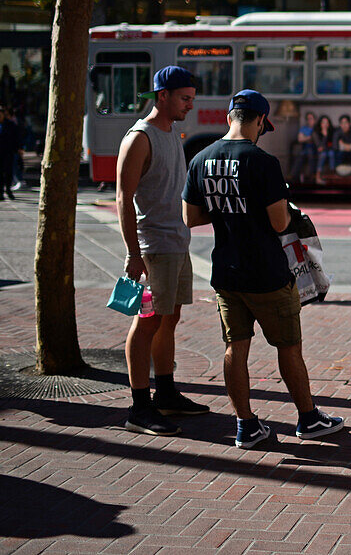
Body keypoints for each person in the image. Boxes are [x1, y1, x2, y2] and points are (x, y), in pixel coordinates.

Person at [182, 89, 345, 449]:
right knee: (288, 348)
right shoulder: (262, 161)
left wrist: (228, 209)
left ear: (229, 118)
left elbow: (190, 217)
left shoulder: (201, 159)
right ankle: (308, 418)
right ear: (258, 121)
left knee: (234, 348)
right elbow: (277, 222)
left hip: (226, 272)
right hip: (267, 274)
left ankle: (246, 425)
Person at [117, 66, 209, 437]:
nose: (190, 105)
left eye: (191, 98)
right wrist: (132, 251)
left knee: (169, 318)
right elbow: (123, 198)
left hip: (176, 244)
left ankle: (166, 392)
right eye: (184, 98)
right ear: (162, 96)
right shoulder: (140, 137)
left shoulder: (173, 132)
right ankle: (140, 407)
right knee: (147, 321)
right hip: (153, 247)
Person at [288, 111, 317, 185]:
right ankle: (292, 175)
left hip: (315, 149)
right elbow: (300, 139)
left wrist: (306, 138)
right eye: (308, 119)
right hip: (305, 149)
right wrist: (309, 138)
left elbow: (317, 140)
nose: (309, 121)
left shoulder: (317, 128)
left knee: (310, 152)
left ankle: (312, 175)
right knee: (301, 155)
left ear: (315, 120)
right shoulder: (304, 128)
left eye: (311, 119)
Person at [313, 115, 335, 184]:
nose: (325, 125)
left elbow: (333, 145)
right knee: (323, 154)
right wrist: (325, 136)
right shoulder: (315, 133)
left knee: (331, 153)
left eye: (326, 123)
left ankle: (331, 174)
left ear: (329, 124)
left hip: (329, 150)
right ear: (320, 124)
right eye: (323, 123)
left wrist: (325, 147)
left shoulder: (332, 132)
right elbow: (319, 146)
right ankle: (318, 177)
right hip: (317, 151)